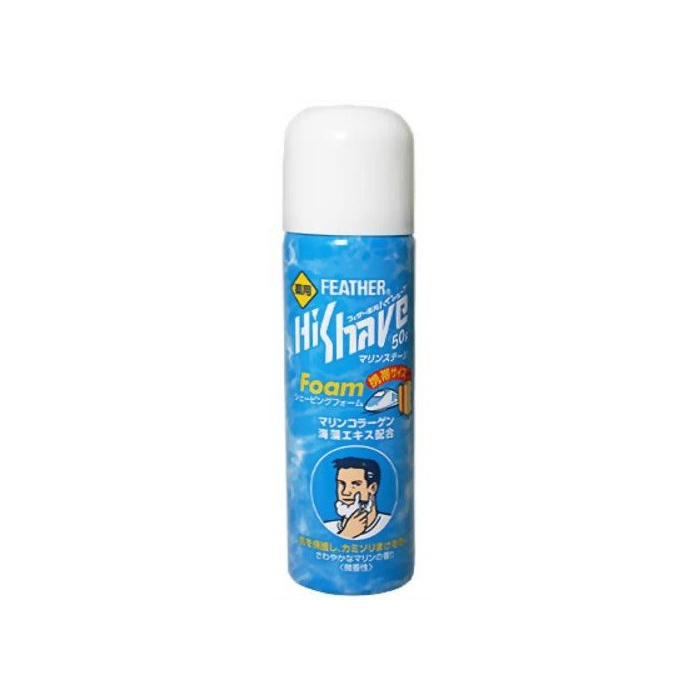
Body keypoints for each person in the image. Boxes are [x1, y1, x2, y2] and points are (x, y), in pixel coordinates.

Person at [323, 456, 391, 540]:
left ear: (372, 488)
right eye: (342, 483)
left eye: (356, 484)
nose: (345, 492)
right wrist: (347, 533)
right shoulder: (327, 527)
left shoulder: (391, 524)